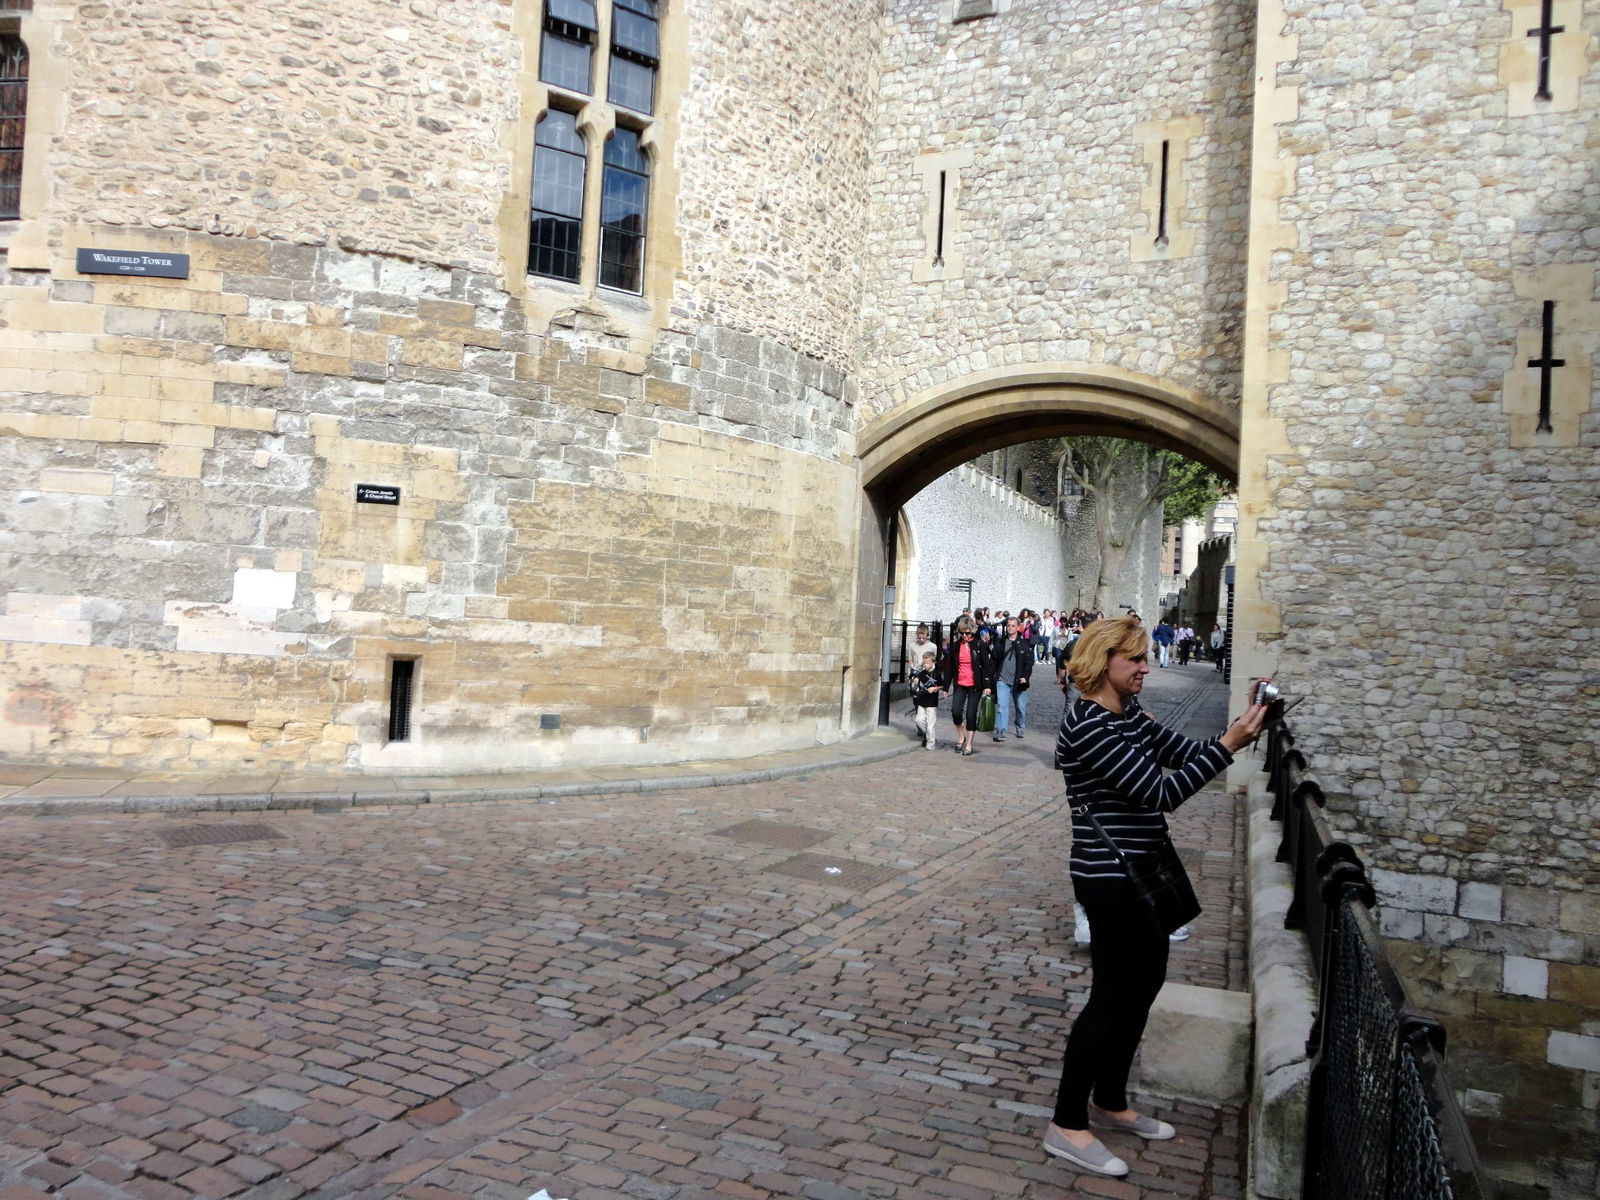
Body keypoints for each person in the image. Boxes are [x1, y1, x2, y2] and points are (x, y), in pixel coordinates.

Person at [1042, 615, 1267, 1178]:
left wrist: (1238, 729)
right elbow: (1160, 792)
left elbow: (1187, 752)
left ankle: (1110, 1099)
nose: (1146, 667)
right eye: (1136, 660)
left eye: (1146, 659)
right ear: (1104, 661)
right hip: (1110, 878)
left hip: (1145, 872)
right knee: (1111, 996)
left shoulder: (1130, 715)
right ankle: (1067, 1123)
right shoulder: (1089, 725)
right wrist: (1229, 747)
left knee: (1144, 985)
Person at [943, 616, 994, 757]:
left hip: (975, 685)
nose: (965, 636)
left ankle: (969, 744)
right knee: (956, 712)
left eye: (967, 633)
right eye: (962, 633)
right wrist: (946, 687)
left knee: (971, 714)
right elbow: (949, 668)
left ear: (972, 631)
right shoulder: (955, 647)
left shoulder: (979, 645)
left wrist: (987, 685)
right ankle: (961, 735)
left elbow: (986, 667)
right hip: (960, 683)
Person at [993, 615, 1033, 741]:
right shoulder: (1000, 642)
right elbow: (994, 661)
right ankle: (1001, 730)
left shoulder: (1023, 644)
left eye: (1013, 626)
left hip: (1018, 681)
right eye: (1008, 625)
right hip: (1002, 680)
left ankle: (1020, 726)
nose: (1010, 628)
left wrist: (1025, 677)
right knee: (1001, 706)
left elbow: (1028, 663)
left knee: (1020, 708)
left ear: (1018, 628)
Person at [908, 650, 944, 751]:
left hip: (932, 702)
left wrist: (935, 688)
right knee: (918, 720)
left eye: (928, 663)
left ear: (933, 662)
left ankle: (931, 744)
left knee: (930, 724)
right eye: (924, 662)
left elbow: (942, 685)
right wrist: (915, 681)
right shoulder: (922, 673)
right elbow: (915, 685)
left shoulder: (936, 673)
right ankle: (928, 735)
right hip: (921, 700)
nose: (926, 665)